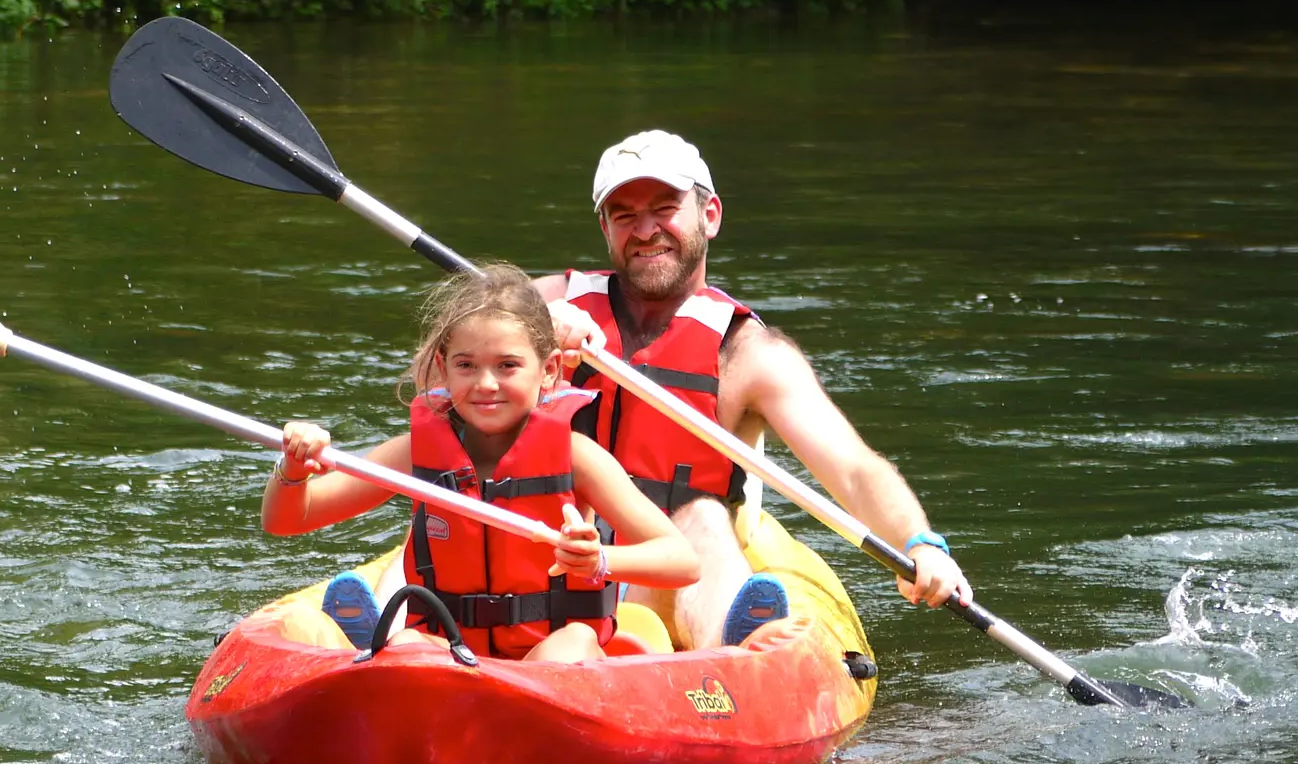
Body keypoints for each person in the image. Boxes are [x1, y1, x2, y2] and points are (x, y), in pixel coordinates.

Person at [534, 129, 972, 652]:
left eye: (665, 207)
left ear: (710, 215)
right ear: (606, 228)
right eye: (624, 214)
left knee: (702, 515)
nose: (646, 230)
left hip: (666, 567)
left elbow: (853, 467)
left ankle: (734, 657)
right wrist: (527, 336)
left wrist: (919, 544)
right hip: (554, 548)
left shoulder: (748, 354)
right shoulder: (544, 305)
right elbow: (433, 381)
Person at [261, 263, 701, 662]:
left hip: (549, 655)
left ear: (548, 371)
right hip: (450, 650)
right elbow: (288, 520)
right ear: (443, 367)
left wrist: (599, 560)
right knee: (408, 649)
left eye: (508, 365)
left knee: (570, 648)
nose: (485, 384)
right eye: (466, 365)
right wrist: (294, 471)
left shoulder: (576, 456)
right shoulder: (415, 454)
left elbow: (683, 561)